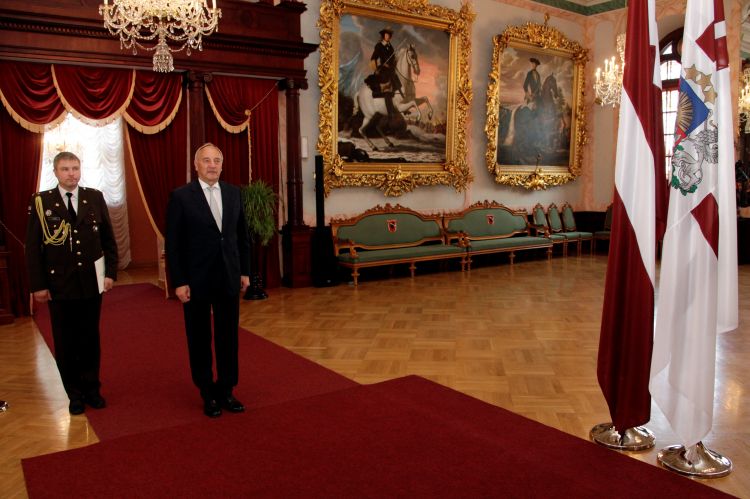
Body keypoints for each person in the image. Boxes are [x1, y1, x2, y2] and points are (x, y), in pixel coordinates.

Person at [25, 151, 118, 415]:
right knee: (66, 341)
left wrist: (110, 273)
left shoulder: (94, 197)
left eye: (75, 168)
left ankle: (92, 389)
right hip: (59, 285)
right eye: (65, 169)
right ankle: (74, 394)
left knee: (90, 338)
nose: (71, 174)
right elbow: (33, 247)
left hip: (91, 282)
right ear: (55, 172)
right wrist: (38, 285)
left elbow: (108, 240)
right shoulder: (42, 201)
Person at [165, 143, 251, 418]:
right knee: (199, 338)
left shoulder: (234, 193)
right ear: (196, 165)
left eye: (216, 160)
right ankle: (206, 391)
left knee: (228, 337)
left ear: (222, 165)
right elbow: (174, 244)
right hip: (195, 280)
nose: (212, 165)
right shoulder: (181, 197)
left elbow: (241, 236)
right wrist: (179, 281)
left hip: (228, 276)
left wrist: (244, 271)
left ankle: (226, 389)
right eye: (206, 160)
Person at [369, 26, 402, 119]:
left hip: (391, 71)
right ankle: (390, 114)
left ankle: (399, 107)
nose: (387, 36)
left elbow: (393, 59)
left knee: (398, 88)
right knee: (387, 91)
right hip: (383, 71)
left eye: (389, 35)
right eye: (386, 35)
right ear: (383, 35)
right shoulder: (379, 46)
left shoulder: (390, 47)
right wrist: (376, 69)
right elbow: (373, 58)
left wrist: (396, 60)